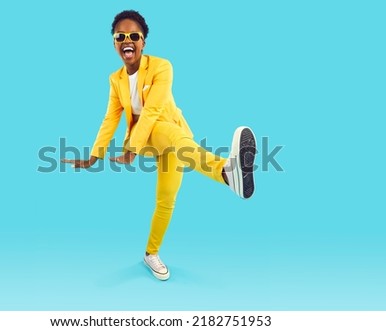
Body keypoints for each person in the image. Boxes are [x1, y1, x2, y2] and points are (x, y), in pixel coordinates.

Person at [62, 10, 256, 281]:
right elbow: (111, 118)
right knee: (174, 137)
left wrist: (129, 151)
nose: (127, 40)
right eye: (120, 36)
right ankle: (226, 171)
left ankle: (151, 253)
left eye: (134, 36)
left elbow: (153, 109)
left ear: (143, 42)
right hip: (148, 140)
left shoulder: (162, 67)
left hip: (172, 136)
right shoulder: (115, 80)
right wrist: (95, 156)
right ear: (114, 42)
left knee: (166, 198)